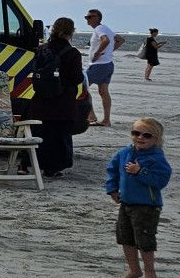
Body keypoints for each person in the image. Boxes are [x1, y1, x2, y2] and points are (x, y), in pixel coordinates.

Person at [107, 118, 172, 278]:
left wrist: (140, 172)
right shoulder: (124, 153)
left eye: (146, 135)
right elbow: (112, 170)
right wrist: (112, 189)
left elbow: (161, 181)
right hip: (126, 203)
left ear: (156, 139)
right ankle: (134, 269)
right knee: (125, 238)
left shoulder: (157, 158)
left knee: (145, 241)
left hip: (147, 206)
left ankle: (150, 272)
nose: (140, 137)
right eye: (136, 133)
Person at [30, 18, 86, 177]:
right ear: (71, 32)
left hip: (40, 99)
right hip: (62, 102)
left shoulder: (41, 49)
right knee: (59, 136)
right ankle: (52, 168)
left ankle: (29, 163)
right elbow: (77, 78)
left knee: (40, 133)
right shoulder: (72, 53)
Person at [84, 9, 117, 127]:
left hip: (99, 65)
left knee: (81, 86)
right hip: (108, 64)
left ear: (97, 18)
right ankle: (106, 120)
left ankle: (91, 116)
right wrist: (108, 52)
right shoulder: (106, 28)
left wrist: (97, 53)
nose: (87, 19)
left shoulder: (99, 29)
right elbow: (120, 40)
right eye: (86, 17)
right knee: (103, 92)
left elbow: (106, 40)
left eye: (90, 17)